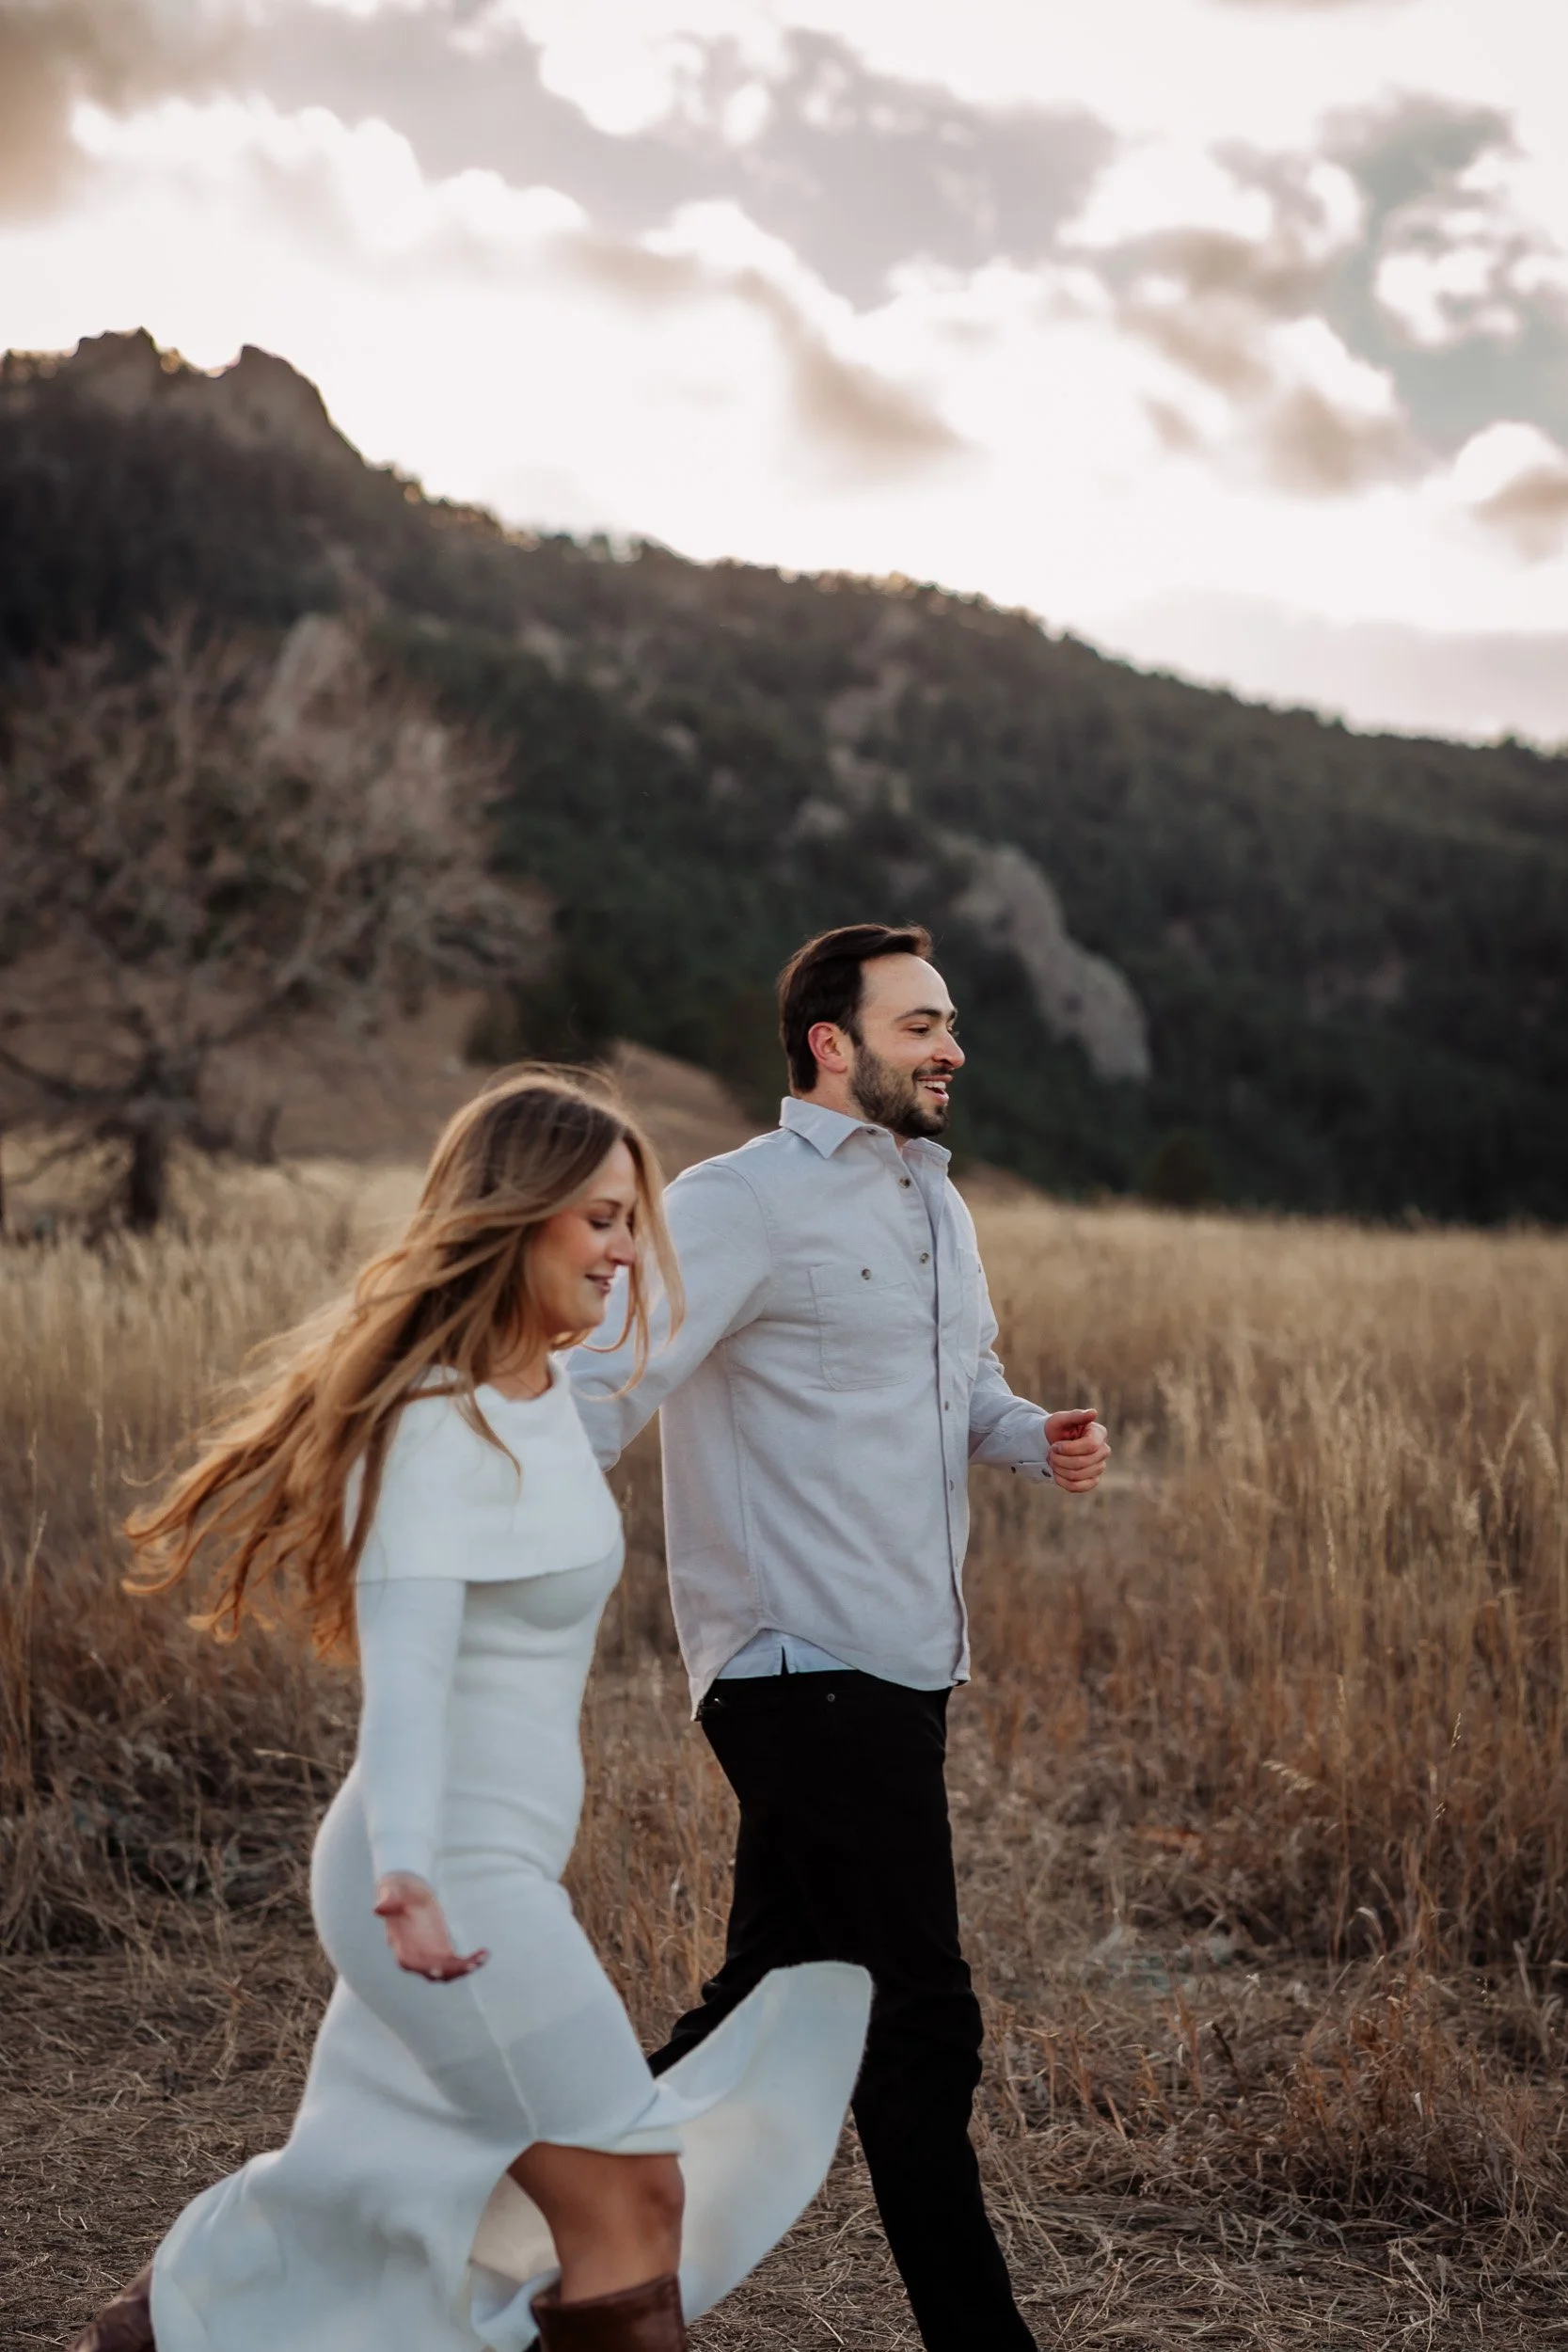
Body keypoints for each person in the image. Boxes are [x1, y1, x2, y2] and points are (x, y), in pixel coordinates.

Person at [73, 1071, 870, 2352]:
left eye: (632, 1221)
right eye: (600, 1218)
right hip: (438, 1876)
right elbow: (407, 1676)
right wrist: (405, 1878)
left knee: (390, 2203)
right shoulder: (433, 1425)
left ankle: (171, 2329)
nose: (625, 1250)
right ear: (517, 1216)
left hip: (497, 1873)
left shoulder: (544, 1397)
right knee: (631, 2195)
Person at [569, 925, 1111, 2352]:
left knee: (765, 2009)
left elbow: (963, 1386)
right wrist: (461, 1522)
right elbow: (602, 1386)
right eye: (921, 1024)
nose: (951, 1049)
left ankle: (518, 2260)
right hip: (791, 1664)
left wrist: (1027, 1435)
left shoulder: (938, 1209)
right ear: (832, 1042)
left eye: (948, 1026)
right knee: (919, 2028)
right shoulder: (734, 1203)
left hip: (905, 1662)